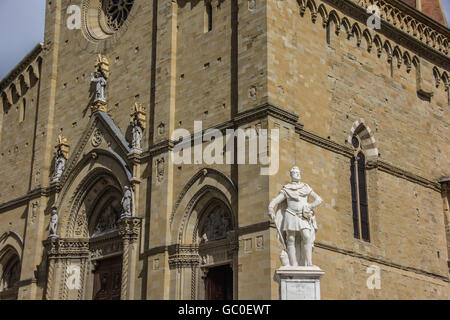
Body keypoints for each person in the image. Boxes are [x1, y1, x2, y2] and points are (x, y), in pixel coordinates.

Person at [268, 166, 323, 266]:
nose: (298, 174)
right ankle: (293, 264)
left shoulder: (306, 187)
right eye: (295, 173)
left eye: (298, 173)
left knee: (306, 237)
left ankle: (309, 263)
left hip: (302, 216)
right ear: (291, 175)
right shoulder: (287, 189)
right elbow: (275, 201)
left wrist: (310, 206)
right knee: (291, 239)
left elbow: (319, 199)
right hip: (290, 214)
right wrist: (271, 209)